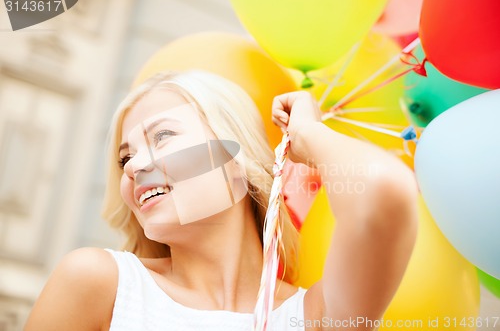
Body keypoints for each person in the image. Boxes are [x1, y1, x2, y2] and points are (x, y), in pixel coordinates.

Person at [24, 70, 418, 331]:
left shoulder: (314, 317)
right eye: (125, 157)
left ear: (237, 160)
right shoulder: (101, 283)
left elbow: (385, 191)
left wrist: (308, 135)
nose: (133, 168)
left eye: (162, 136)